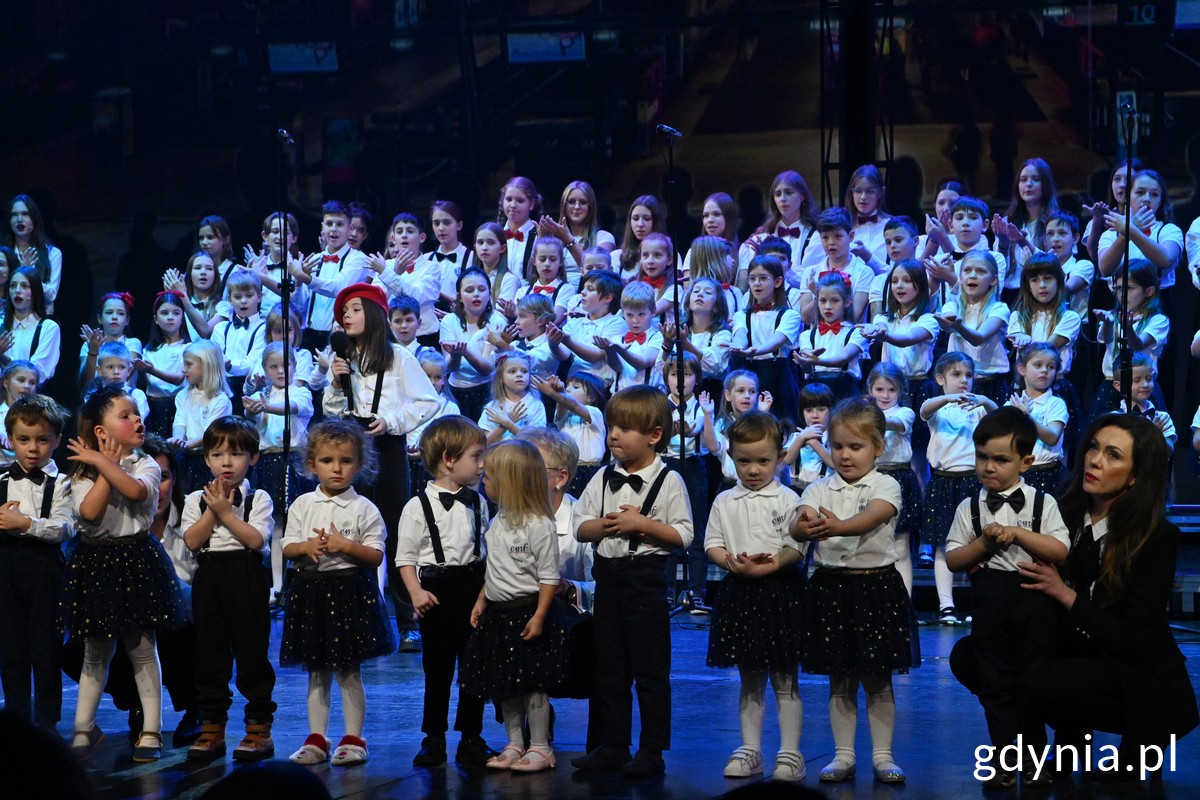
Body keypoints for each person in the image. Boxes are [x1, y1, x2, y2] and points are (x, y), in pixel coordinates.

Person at [1018, 415, 1198, 779]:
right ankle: (1062, 752)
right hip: (1079, 655)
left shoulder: (1156, 537)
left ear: (1135, 476)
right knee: (982, 658)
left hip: (1138, 674)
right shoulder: (1062, 515)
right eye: (1094, 448)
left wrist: (1065, 595)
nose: (1095, 460)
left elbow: (1133, 639)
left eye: (1113, 455)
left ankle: (1140, 748)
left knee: (1050, 680)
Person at [792, 397, 918, 784]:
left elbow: (872, 516)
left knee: (878, 679)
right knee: (840, 678)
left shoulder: (887, 484)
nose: (845, 455)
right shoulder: (818, 487)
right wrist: (804, 527)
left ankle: (883, 755)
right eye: (838, 446)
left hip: (875, 588)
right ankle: (843, 755)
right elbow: (800, 522)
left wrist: (835, 527)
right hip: (831, 588)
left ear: (878, 448)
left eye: (856, 447)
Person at [571, 386, 694, 777]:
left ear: (654, 435)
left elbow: (684, 535)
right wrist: (604, 526)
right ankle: (613, 743)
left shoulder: (669, 480)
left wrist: (641, 524)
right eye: (610, 427)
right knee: (610, 668)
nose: (613, 436)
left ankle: (652, 749)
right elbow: (580, 527)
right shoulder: (603, 478)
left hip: (645, 584)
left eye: (624, 428)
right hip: (608, 582)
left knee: (650, 670)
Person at [944, 407, 1069, 789]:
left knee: (1031, 683)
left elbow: (1060, 549)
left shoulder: (1041, 503)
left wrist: (1018, 534)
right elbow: (953, 558)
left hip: (1033, 600)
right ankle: (1003, 760)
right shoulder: (970, 507)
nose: (988, 467)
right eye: (982, 457)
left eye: (1000, 459)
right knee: (995, 683)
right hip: (990, 601)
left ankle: (1034, 762)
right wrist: (982, 542)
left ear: (1026, 462)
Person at [62, 387, 188, 763]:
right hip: (97, 562)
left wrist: (106, 464)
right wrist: (101, 465)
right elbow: (89, 513)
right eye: (126, 415)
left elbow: (134, 492)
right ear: (101, 433)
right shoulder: (82, 471)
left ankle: (151, 728)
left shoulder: (145, 463)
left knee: (142, 648)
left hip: (136, 560)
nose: (137, 420)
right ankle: (83, 729)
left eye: (137, 414)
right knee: (95, 651)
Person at [280, 420, 395, 767]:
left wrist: (347, 545)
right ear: (312, 464)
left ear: (358, 465)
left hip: (350, 593)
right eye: (328, 461)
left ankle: (353, 737)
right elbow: (287, 546)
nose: (337, 468)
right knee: (317, 669)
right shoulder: (302, 504)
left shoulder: (364, 509)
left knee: (349, 670)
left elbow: (375, 554)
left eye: (345, 461)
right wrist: (306, 546)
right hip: (312, 592)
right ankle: (317, 738)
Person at [705, 412, 806, 782]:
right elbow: (712, 544)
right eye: (744, 461)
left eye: (763, 461)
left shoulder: (790, 497)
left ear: (780, 457)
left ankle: (791, 753)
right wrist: (731, 562)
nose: (753, 470)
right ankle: (750, 749)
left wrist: (773, 563)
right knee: (750, 678)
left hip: (781, 592)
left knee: (785, 678)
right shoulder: (724, 501)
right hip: (741, 591)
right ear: (731, 457)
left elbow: (797, 545)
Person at [396, 415, 497, 767]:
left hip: (472, 588)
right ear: (449, 460)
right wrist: (416, 593)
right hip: (437, 591)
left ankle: (471, 736)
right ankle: (433, 738)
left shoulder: (480, 502)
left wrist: (485, 595)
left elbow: (484, 551)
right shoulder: (416, 506)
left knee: (474, 669)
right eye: (476, 456)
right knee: (437, 669)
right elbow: (405, 558)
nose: (483, 464)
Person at [460, 440, 567, 772]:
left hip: (527, 611)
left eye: (490, 475)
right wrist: (482, 599)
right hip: (499, 613)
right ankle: (514, 743)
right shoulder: (500, 519)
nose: (483, 477)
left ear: (511, 481)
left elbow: (549, 577)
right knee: (505, 684)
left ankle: (540, 746)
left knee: (532, 684)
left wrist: (539, 616)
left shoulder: (539, 524)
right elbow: (494, 568)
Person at [181, 416, 277, 762]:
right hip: (209, 578)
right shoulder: (195, 499)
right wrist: (214, 509)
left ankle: (258, 729)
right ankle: (212, 728)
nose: (226, 462)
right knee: (210, 654)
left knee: (252, 653)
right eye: (218, 454)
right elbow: (192, 540)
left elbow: (255, 539)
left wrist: (227, 511)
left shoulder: (259, 498)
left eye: (236, 454)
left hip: (246, 576)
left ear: (253, 458)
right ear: (206, 459)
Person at [0, 395, 72, 730]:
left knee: (46, 649)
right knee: (11, 649)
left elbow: (66, 526)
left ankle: (47, 724)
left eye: (43, 439)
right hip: (5, 568)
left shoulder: (63, 484)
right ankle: (16, 724)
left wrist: (25, 524)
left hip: (45, 568)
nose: (33, 448)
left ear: (56, 440)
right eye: (24, 439)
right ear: (10, 440)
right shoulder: (2, 481)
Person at [921, 352, 997, 623]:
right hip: (943, 481)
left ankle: (977, 602)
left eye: (968, 375)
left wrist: (986, 401)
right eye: (956, 375)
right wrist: (947, 398)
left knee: (978, 543)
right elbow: (925, 410)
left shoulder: (978, 408)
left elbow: (998, 420)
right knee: (944, 543)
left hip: (974, 482)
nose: (964, 380)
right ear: (941, 379)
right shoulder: (938, 408)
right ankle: (946, 605)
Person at [288, 201, 371, 353]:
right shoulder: (315, 259)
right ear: (322, 228)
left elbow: (338, 288)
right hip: (310, 336)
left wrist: (304, 277)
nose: (333, 229)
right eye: (329, 223)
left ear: (349, 228)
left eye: (339, 224)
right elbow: (300, 303)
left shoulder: (358, 259)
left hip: (342, 336)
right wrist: (298, 282)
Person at [731, 255, 801, 424]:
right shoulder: (742, 315)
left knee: (782, 424)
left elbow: (777, 340)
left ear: (777, 282)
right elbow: (740, 333)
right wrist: (738, 347)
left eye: (763, 278)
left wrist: (756, 350)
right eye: (752, 279)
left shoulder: (789, 315)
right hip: (750, 375)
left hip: (778, 375)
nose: (757, 283)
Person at [1006, 344, 1069, 493]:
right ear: (1022, 369)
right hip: (1019, 473)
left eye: (1051, 367)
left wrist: (1027, 416)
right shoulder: (1012, 403)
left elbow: (1052, 437)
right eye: (1038, 365)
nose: (1044, 370)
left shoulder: (1055, 403)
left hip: (1048, 473)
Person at [134, 291, 189, 439]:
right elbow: (146, 383)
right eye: (164, 313)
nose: (170, 317)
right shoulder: (149, 349)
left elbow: (179, 379)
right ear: (156, 319)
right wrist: (141, 371)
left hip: (178, 404)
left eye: (176, 313)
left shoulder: (187, 348)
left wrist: (151, 370)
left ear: (182, 317)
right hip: (154, 404)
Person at [479, 351, 546, 445]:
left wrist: (508, 423)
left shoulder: (536, 405)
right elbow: (484, 444)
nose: (519, 375)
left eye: (524, 371)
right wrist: (503, 426)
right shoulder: (492, 407)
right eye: (512, 371)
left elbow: (537, 443)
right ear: (501, 377)